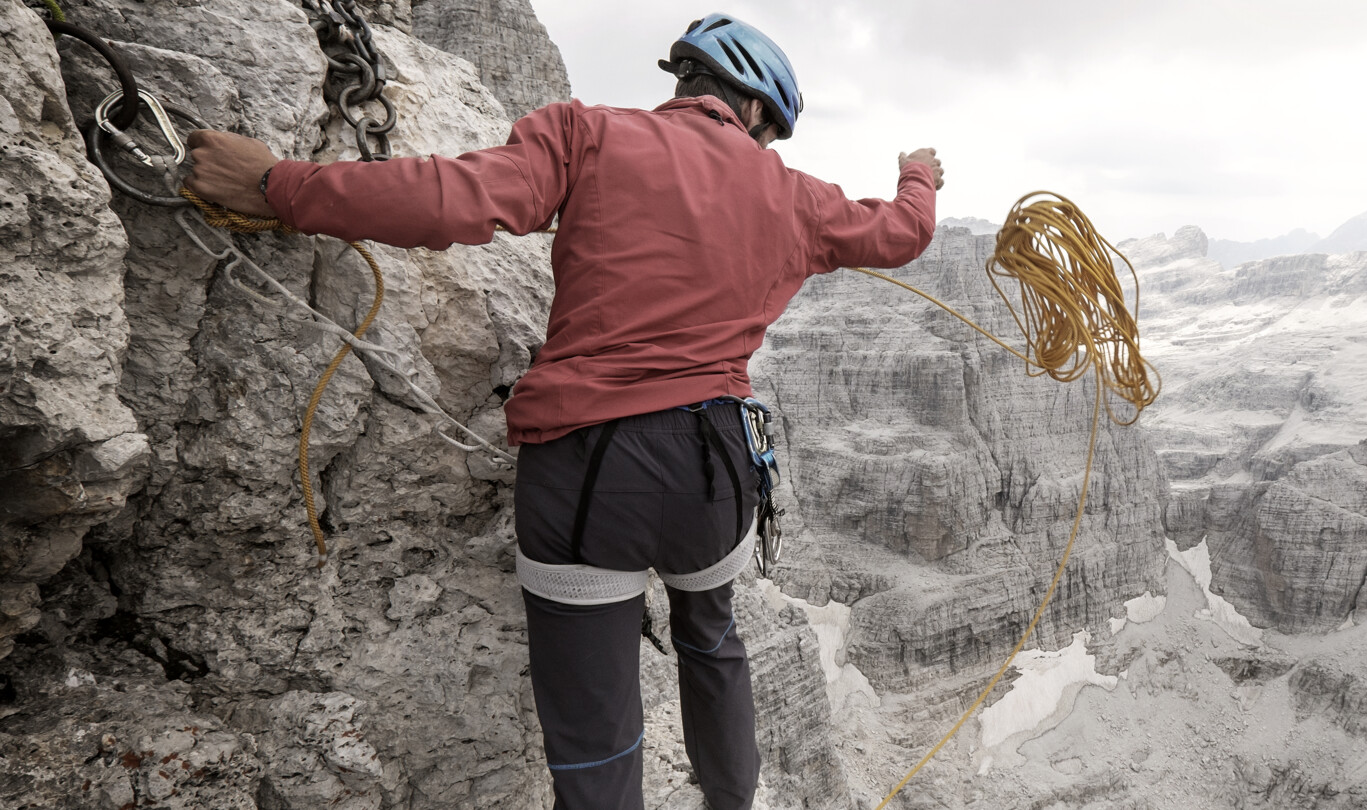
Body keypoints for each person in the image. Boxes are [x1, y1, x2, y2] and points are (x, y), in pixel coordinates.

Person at [183, 12, 943, 810]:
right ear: (755, 112)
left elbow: (452, 200)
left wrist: (280, 185)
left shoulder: (587, 135)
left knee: (595, 729)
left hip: (592, 467)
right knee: (713, 642)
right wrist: (916, 171)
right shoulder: (799, 198)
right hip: (718, 472)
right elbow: (903, 231)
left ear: (687, 80)